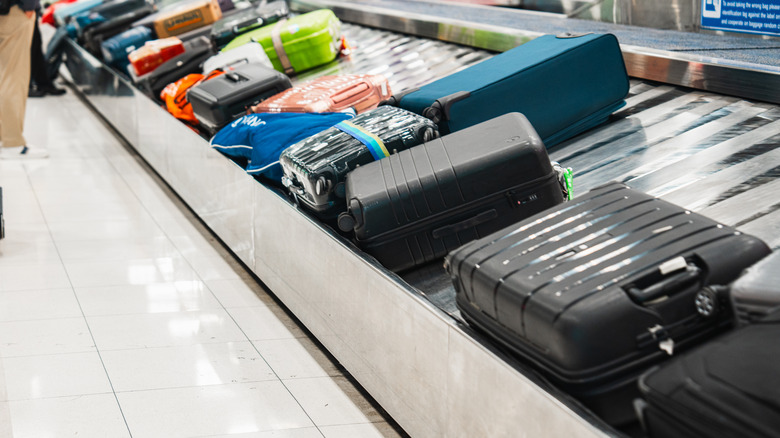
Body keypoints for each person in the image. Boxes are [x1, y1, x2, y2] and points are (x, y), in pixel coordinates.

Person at [0, 0, 49, 159]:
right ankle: (11, 142)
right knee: (13, 77)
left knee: (5, 74)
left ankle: (4, 136)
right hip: (14, 11)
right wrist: (29, 5)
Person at [29, 7, 66, 97]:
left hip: (29, 11)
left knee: (36, 46)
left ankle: (43, 83)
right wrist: (28, 7)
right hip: (23, 10)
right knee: (29, 48)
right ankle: (28, 86)